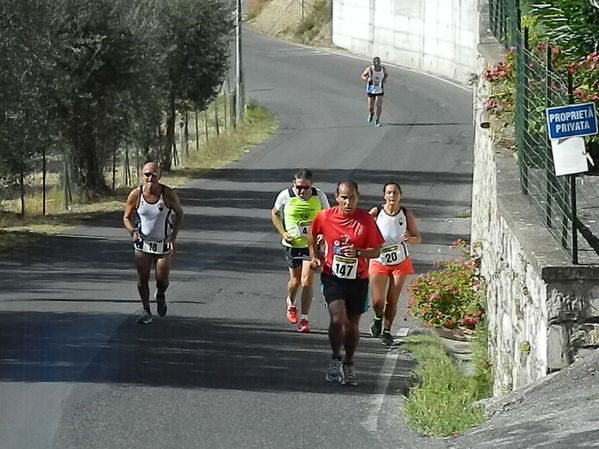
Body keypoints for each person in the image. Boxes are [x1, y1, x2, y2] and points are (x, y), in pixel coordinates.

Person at [308, 181, 384, 385]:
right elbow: (312, 233)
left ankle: (348, 363)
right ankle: (335, 359)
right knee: (337, 318)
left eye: (351, 197)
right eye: (344, 197)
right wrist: (314, 256)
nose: (347, 202)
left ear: (357, 197)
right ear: (337, 197)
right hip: (332, 276)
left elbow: (376, 250)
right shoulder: (325, 216)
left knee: (352, 325)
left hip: (358, 279)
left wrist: (358, 253)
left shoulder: (366, 220)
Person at [123, 162, 184, 324]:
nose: (150, 178)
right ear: (141, 176)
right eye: (147, 174)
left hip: (163, 243)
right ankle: (146, 310)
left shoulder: (168, 194)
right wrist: (133, 232)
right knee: (142, 278)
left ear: (159, 176)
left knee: (161, 279)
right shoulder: (136, 195)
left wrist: (173, 238)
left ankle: (161, 294)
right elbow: (126, 217)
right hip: (143, 243)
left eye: (153, 175)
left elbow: (180, 214)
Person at [271, 169, 330, 332]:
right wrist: (283, 232)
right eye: (299, 187)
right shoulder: (285, 195)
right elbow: (274, 213)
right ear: (293, 185)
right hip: (292, 245)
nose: (302, 191)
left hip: (310, 246)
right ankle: (290, 302)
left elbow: (328, 217)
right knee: (295, 282)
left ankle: (304, 319)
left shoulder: (319, 196)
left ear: (312, 185)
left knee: (307, 281)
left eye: (306, 188)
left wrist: (323, 235)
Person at [368, 183, 421, 345]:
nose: (392, 196)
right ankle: (378, 318)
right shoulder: (376, 212)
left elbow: (417, 238)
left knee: (392, 299)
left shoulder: (405, 214)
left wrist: (410, 239)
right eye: (389, 193)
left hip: (400, 262)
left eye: (395, 193)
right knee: (378, 301)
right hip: (379, 261)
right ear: (384, 196)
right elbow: (362, 230)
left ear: (400, 195)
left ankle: (387, 331)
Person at [360, 56, 388, 127]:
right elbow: (362, 75)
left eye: (378, 62)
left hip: (379, 89)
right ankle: (371, 113)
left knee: (379, 105)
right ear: (374, 63)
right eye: (376, 62)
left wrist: (384, 79)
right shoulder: (370, 69)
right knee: (370, 106)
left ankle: (377, 120)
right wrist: (367, 79)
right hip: (371, 89)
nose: (377, 63)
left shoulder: (383, 69)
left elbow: (386, 75)